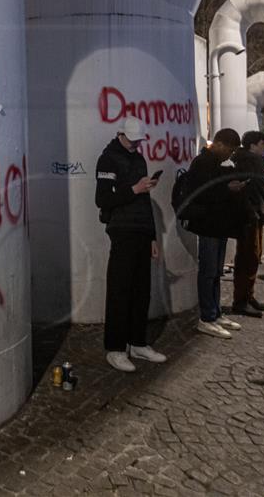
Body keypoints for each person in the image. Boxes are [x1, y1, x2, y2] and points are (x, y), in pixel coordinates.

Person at [95, 115, 167, 372]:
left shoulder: (138, 158)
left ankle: (137, 342)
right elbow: (102, 199)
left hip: (140, 231)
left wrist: (152, 237)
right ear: (121, 134)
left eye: (139, 141)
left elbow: (144, 202)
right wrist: (134, 189)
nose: (137, 145)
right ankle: (115, 348)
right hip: (122, 231)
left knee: (141, 290)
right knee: (120, 291)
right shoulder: (107, 159)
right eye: (133, 140)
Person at [185, 128, 246, 338]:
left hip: (217, 224)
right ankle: (207, 317)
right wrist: (228, 189)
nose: (230, 154)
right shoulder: (203, 163)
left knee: (216, 272)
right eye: (229, 149)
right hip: (208, 225)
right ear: (219, 144)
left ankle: (215, 313)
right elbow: (203, 193)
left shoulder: (215, 163)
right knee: (209, 271)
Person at [231, 131, 264, 318]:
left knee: (252, 255)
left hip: (252, 213)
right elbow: (251, 189)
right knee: (249, 255)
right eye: (262, 144)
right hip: (250, 215)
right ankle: (242, 300)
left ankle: (247, 296)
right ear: (252, 145)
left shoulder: (247, 160)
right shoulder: (250, 161)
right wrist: (255, 211)